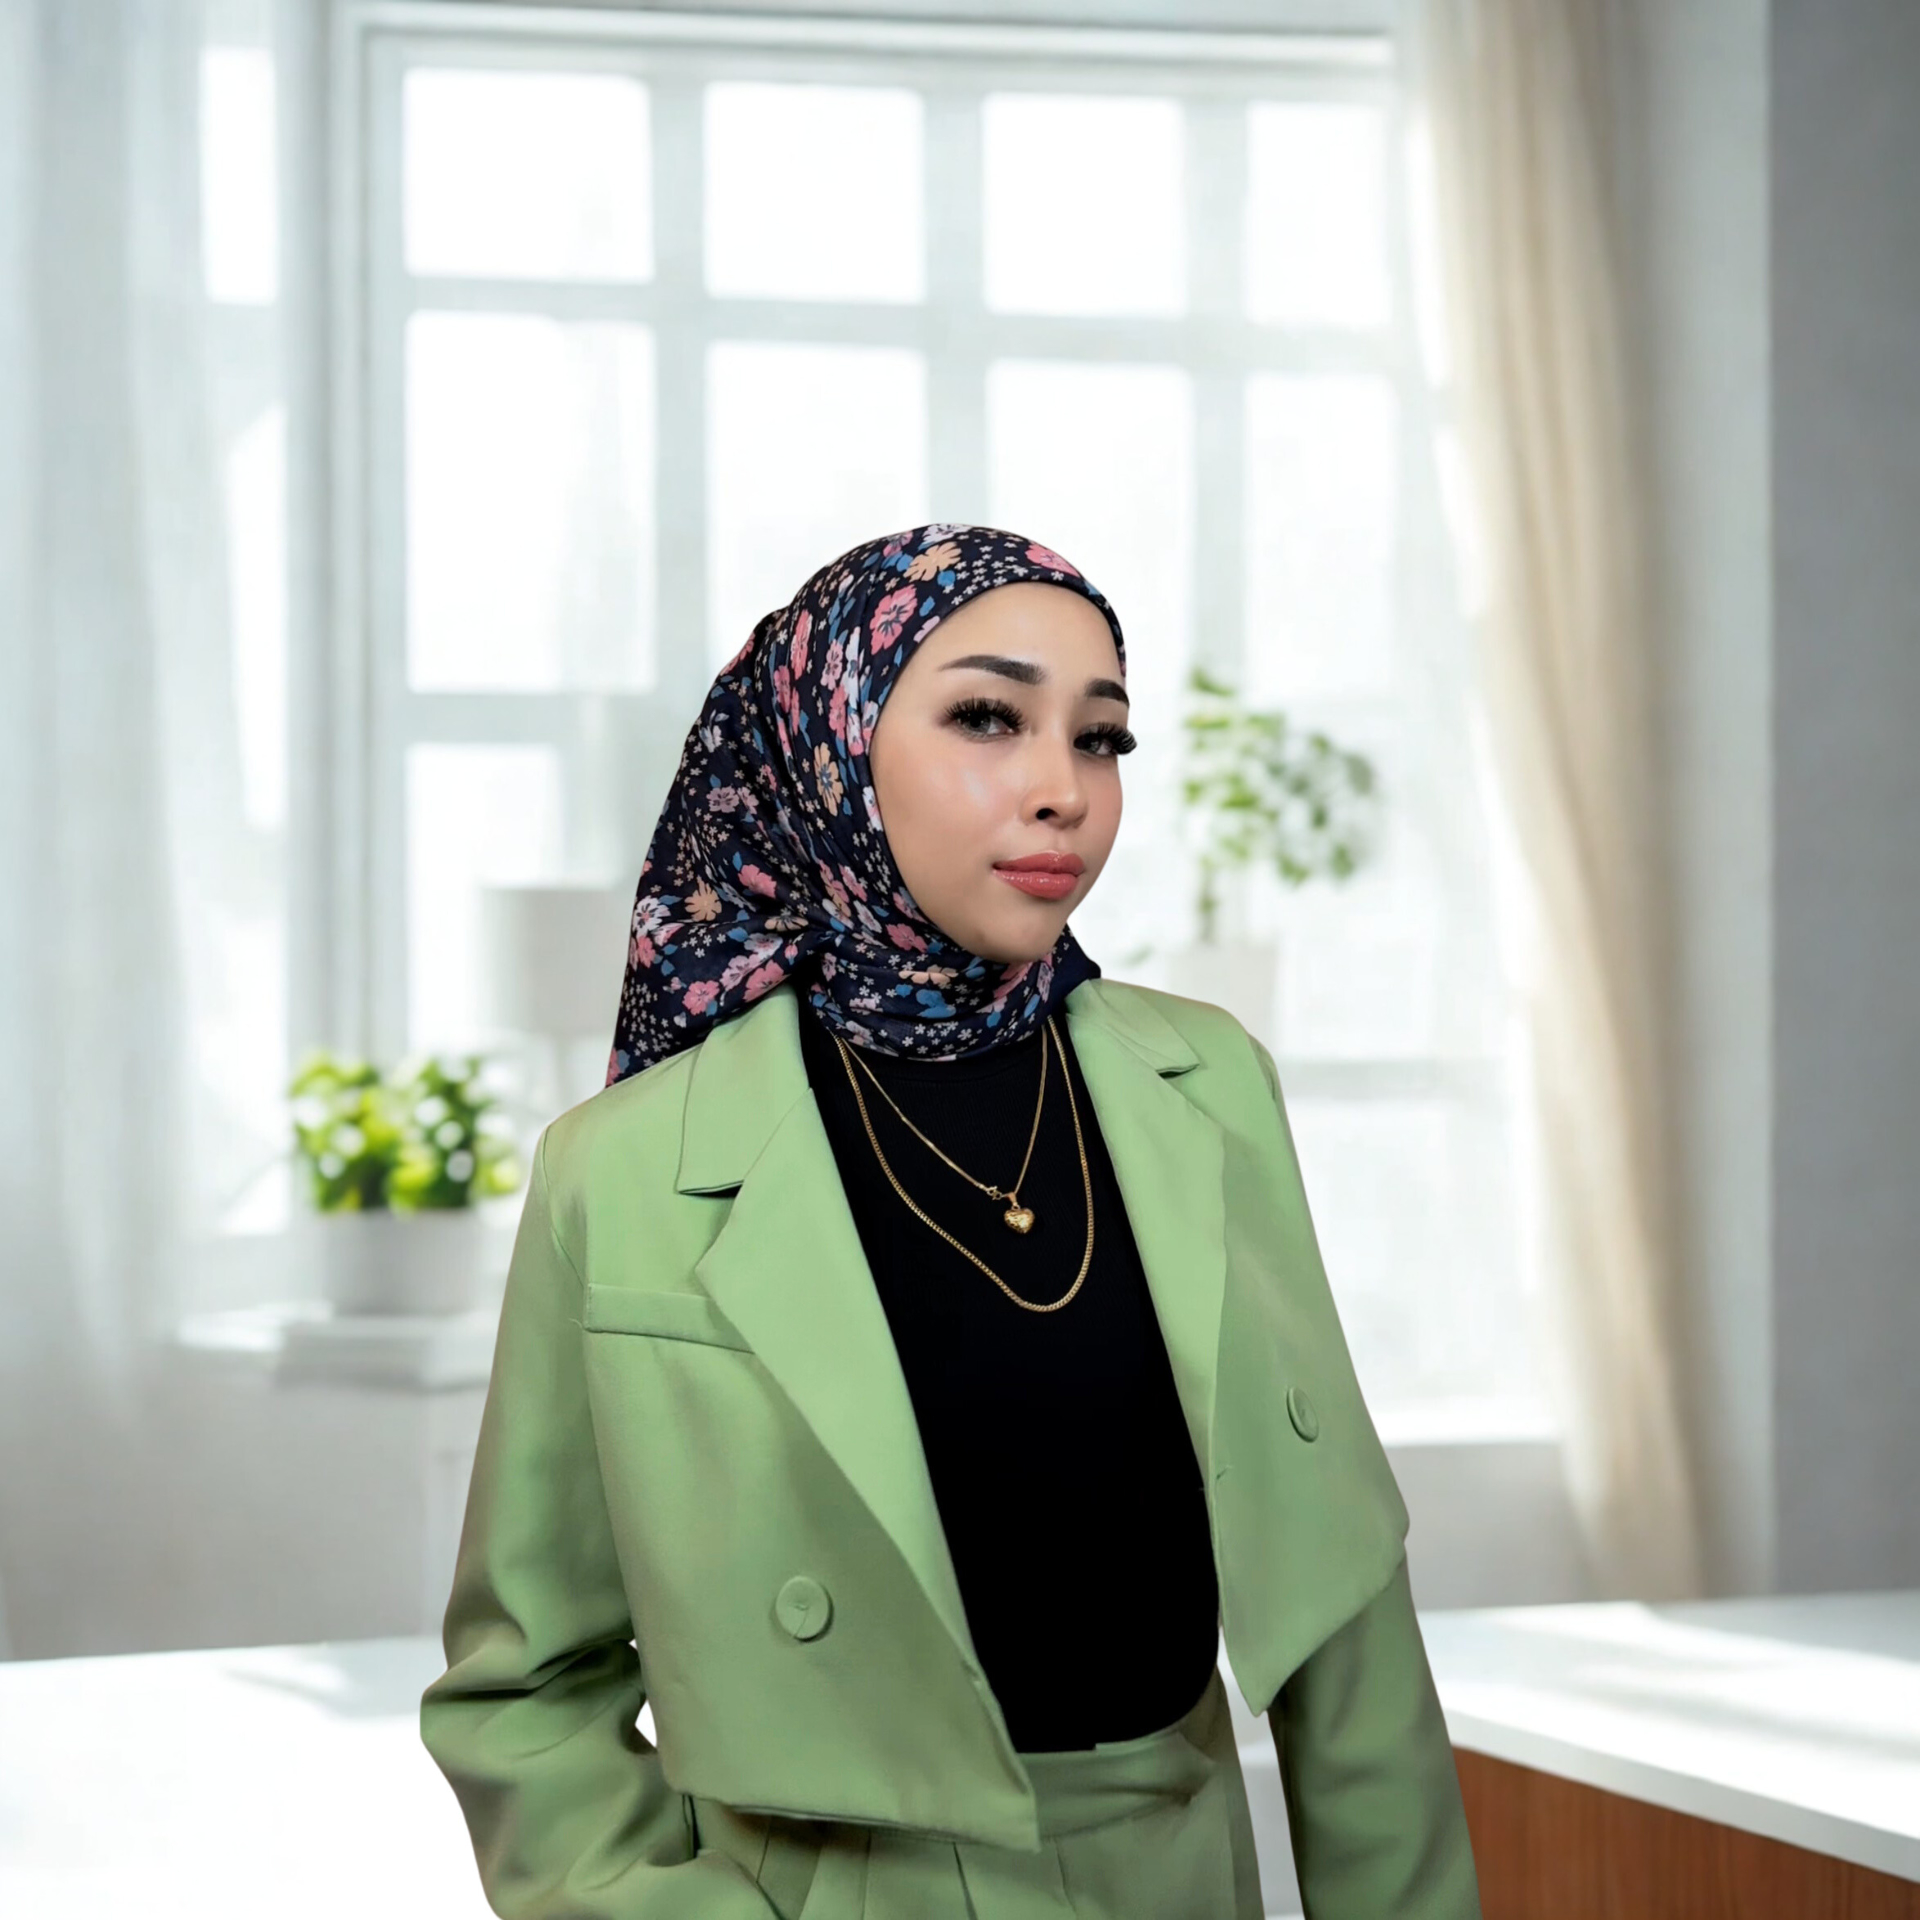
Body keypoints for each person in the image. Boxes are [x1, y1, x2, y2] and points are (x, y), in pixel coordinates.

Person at [420, 523, 1482, 1919]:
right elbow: (526, 1685)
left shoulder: (1210, 1085)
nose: (1063, 790)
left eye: (1100, 738)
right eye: (988, 718)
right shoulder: (617, 1168)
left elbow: (1348, 1610)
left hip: (1181, 1877)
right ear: (829, 747)